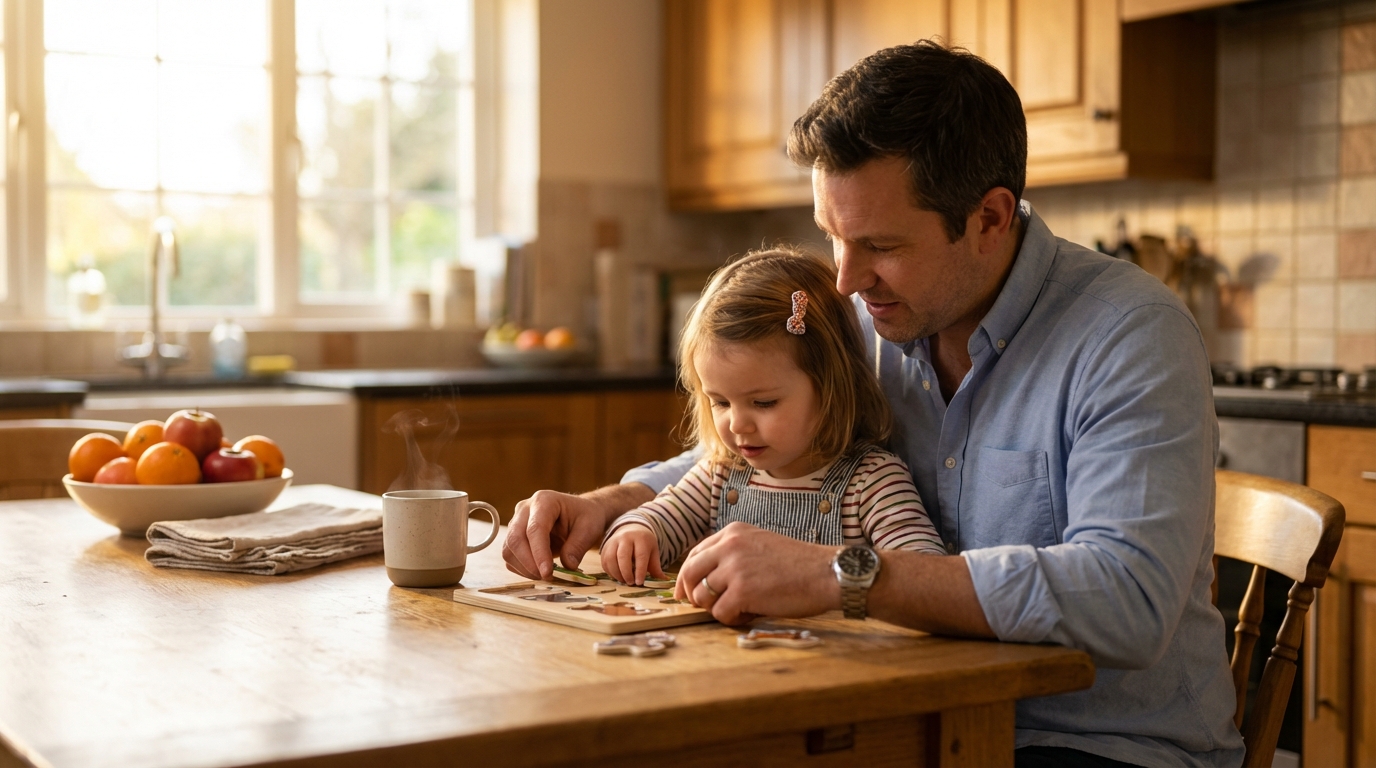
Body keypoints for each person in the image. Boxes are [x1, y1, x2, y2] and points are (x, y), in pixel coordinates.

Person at [504, 40, 1242, 768]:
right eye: (833, 237)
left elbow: (1128, 598)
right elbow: (755, 451)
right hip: (902, 710)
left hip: (1097, 744)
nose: (848, 280)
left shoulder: (1129, 336)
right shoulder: (872, 321)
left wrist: (838, 573)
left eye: (880, 244)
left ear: (990, 218)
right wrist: (615, 501)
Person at [600, 248, 945, 587]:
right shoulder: (721, 474)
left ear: (832, 389)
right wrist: (635, 531)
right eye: (720, 402)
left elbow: (926, 573)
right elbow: (660, 517)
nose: (737, 425)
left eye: (763, 403)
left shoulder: (872, 483)